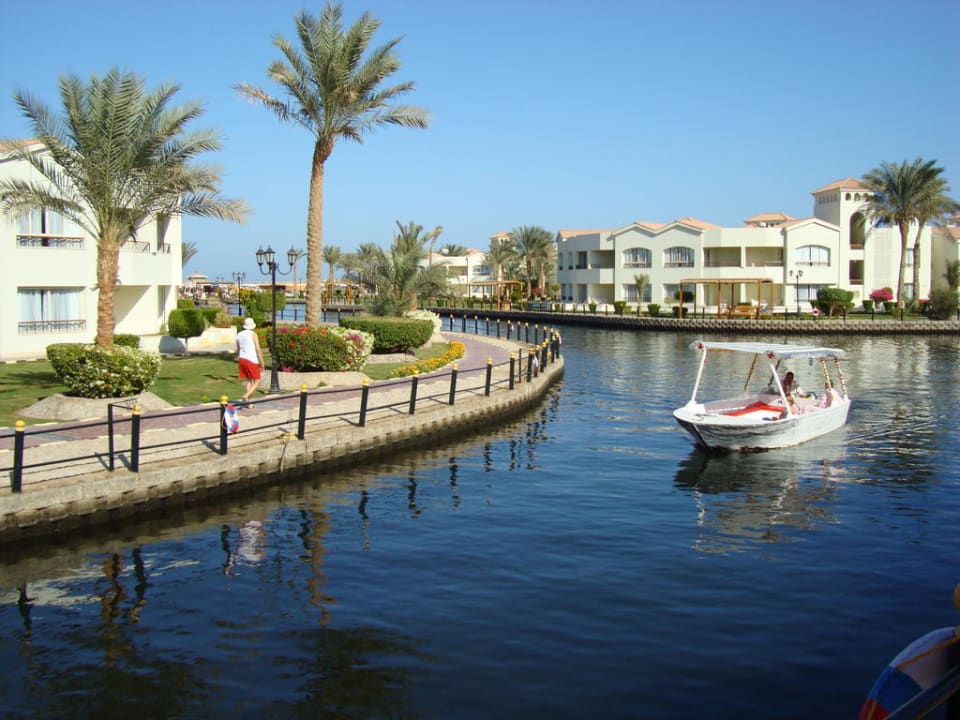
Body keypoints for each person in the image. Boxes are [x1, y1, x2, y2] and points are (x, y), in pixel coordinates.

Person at [236, 317, 264, 405]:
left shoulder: (239, 335)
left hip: (242, 358)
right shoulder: (253, 334)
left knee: (249, 380)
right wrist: (262, 362)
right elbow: (258, 349)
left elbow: (238, 349)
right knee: (257, 380)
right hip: (251, 359)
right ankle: (246, 395)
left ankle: (249, 403)